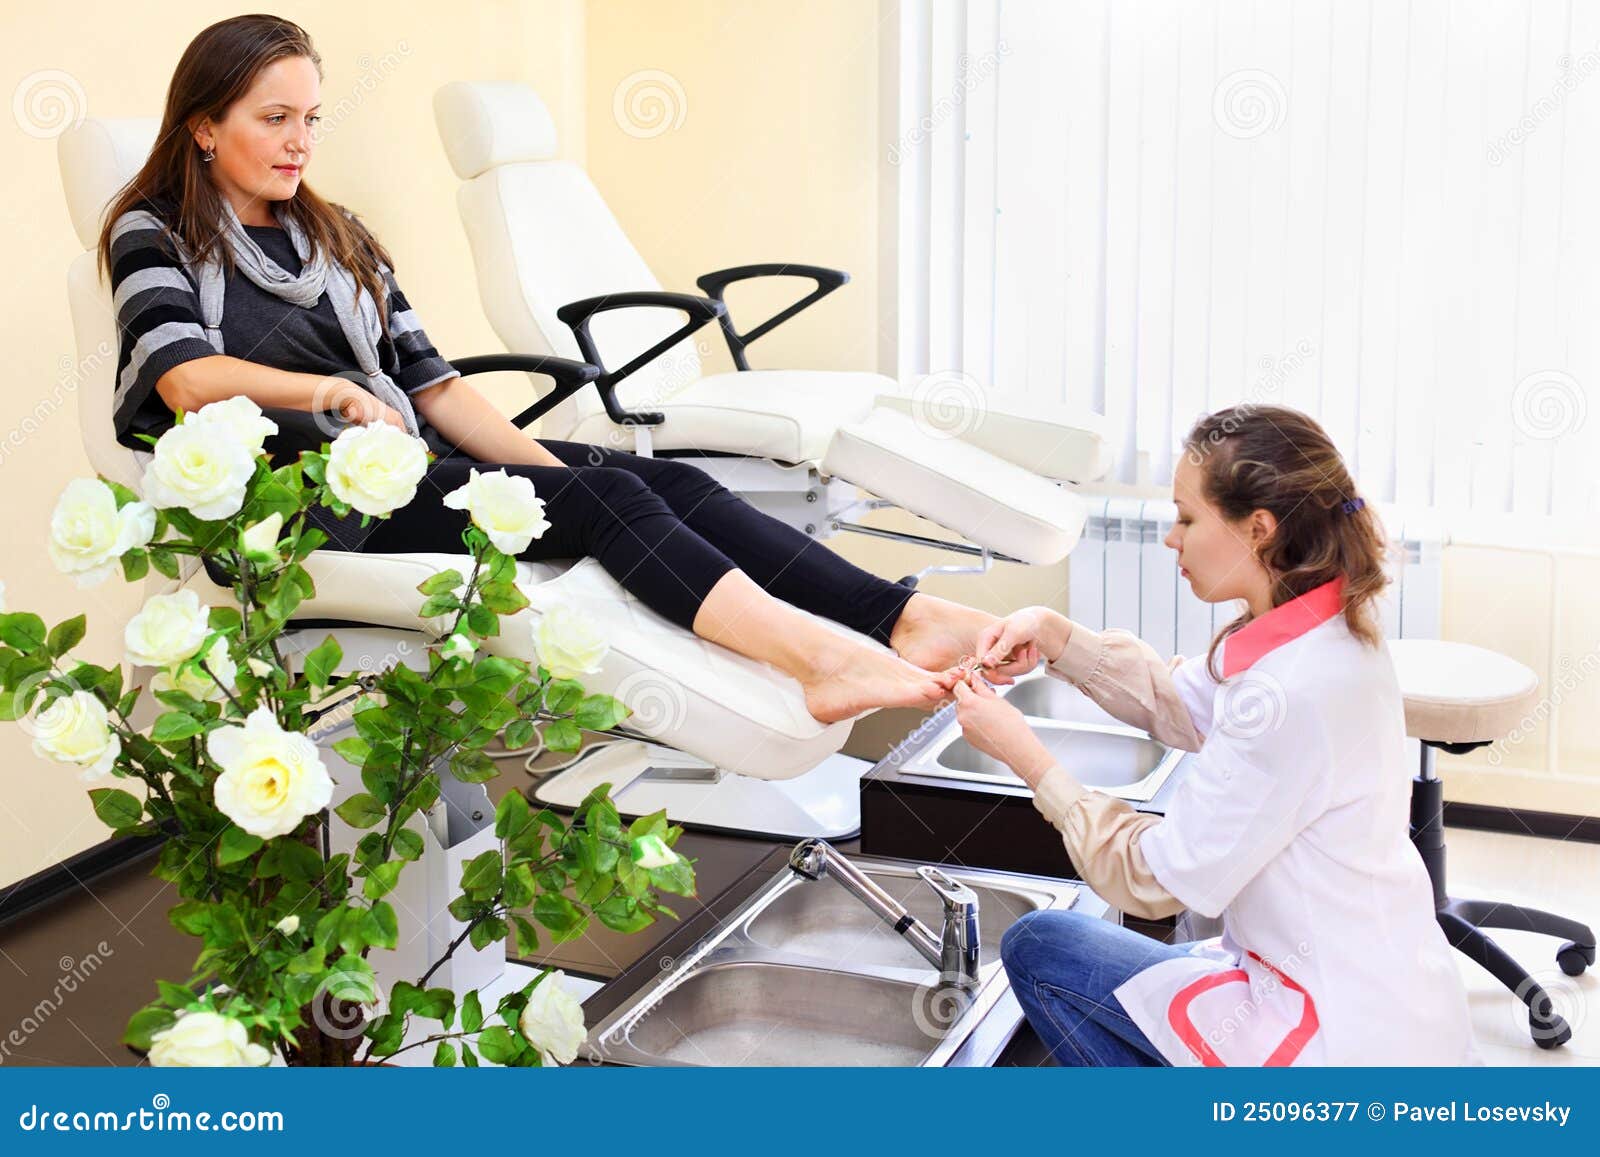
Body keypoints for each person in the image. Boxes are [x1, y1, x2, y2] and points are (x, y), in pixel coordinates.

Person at [100, 14, 995, 724]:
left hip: (404, 474)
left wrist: (555, 481)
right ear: (205, 127)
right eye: (274, 118)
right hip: (301, 511)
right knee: (611, 502)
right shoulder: (153, 231)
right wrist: (329, 392)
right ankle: (820, 659)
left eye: (311, 120)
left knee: (660, 483)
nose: (300, 142)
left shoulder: (338, 236)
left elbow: (436, 387)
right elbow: (186, 378)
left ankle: (896, 619)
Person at [951, 405, 1477, 1066]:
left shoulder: (1287, 692)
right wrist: (1055, 634)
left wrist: (1027, 757)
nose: (1172, 537)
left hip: (1338, 1040)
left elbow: (1148, 878)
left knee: (1042, 947)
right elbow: (1179, 701)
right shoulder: (1321, 628)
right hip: (1395, 997)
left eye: (1187, 517)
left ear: (1258, 529)